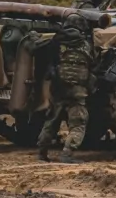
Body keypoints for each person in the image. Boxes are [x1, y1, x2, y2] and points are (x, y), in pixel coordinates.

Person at [37, 13, 94, 163]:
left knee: (52, 121)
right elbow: (92, 63)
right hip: (78, 89)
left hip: (58, 87)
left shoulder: (56, 41)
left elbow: (48, 61)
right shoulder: (86, 44)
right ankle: (67, 154)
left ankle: (42, 152)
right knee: (78, 123)